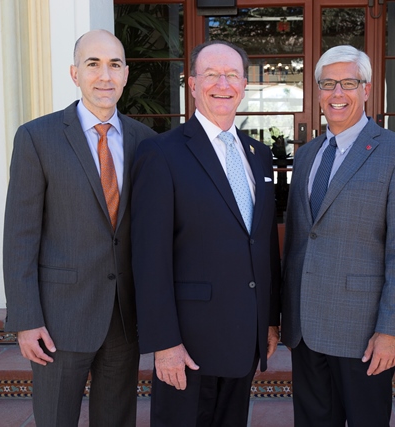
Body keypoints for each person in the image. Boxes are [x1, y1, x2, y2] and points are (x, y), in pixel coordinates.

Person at [3, 29, 156, 426]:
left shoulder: (148, 143)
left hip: (124, 317)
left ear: (125, 75)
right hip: (58, 319)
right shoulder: (37, 138)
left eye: (114, 65)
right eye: (93, 64)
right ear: (75, 73)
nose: (104, 75)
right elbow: (20, 236)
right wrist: (25, 318)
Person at [131, 40, 281, 427]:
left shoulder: (258, 154)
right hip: (188, 343)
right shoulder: (161, 153)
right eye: (211, 74)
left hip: (244, 338)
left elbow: (263, 244)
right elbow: (150, 257)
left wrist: (269, 319)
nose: (223, 83)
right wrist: (164, 343)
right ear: (193, 84)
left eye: (232, 75)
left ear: (245, 85)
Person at [281, 45, 395, 426]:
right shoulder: (308, 154)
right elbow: (300, 239)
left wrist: (392, 330)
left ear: (367, 89)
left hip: (362, 331)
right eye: (328, 84)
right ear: (317, 92)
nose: (337, 93)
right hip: (305, 327)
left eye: (348, 82)